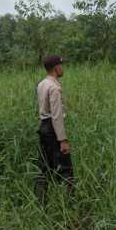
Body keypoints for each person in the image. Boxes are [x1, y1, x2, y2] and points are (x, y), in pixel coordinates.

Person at [35, 55, 74, 206]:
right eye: (61, 65)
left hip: (43, 127)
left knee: (45, 166)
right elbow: (57, 116)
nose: (62, 68)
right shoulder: (54, 88)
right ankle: (70, 205)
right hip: (53, 129)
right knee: (66, 168)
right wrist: (63, 140)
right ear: (56, 67)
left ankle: (42, 203)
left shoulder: (42, 84)